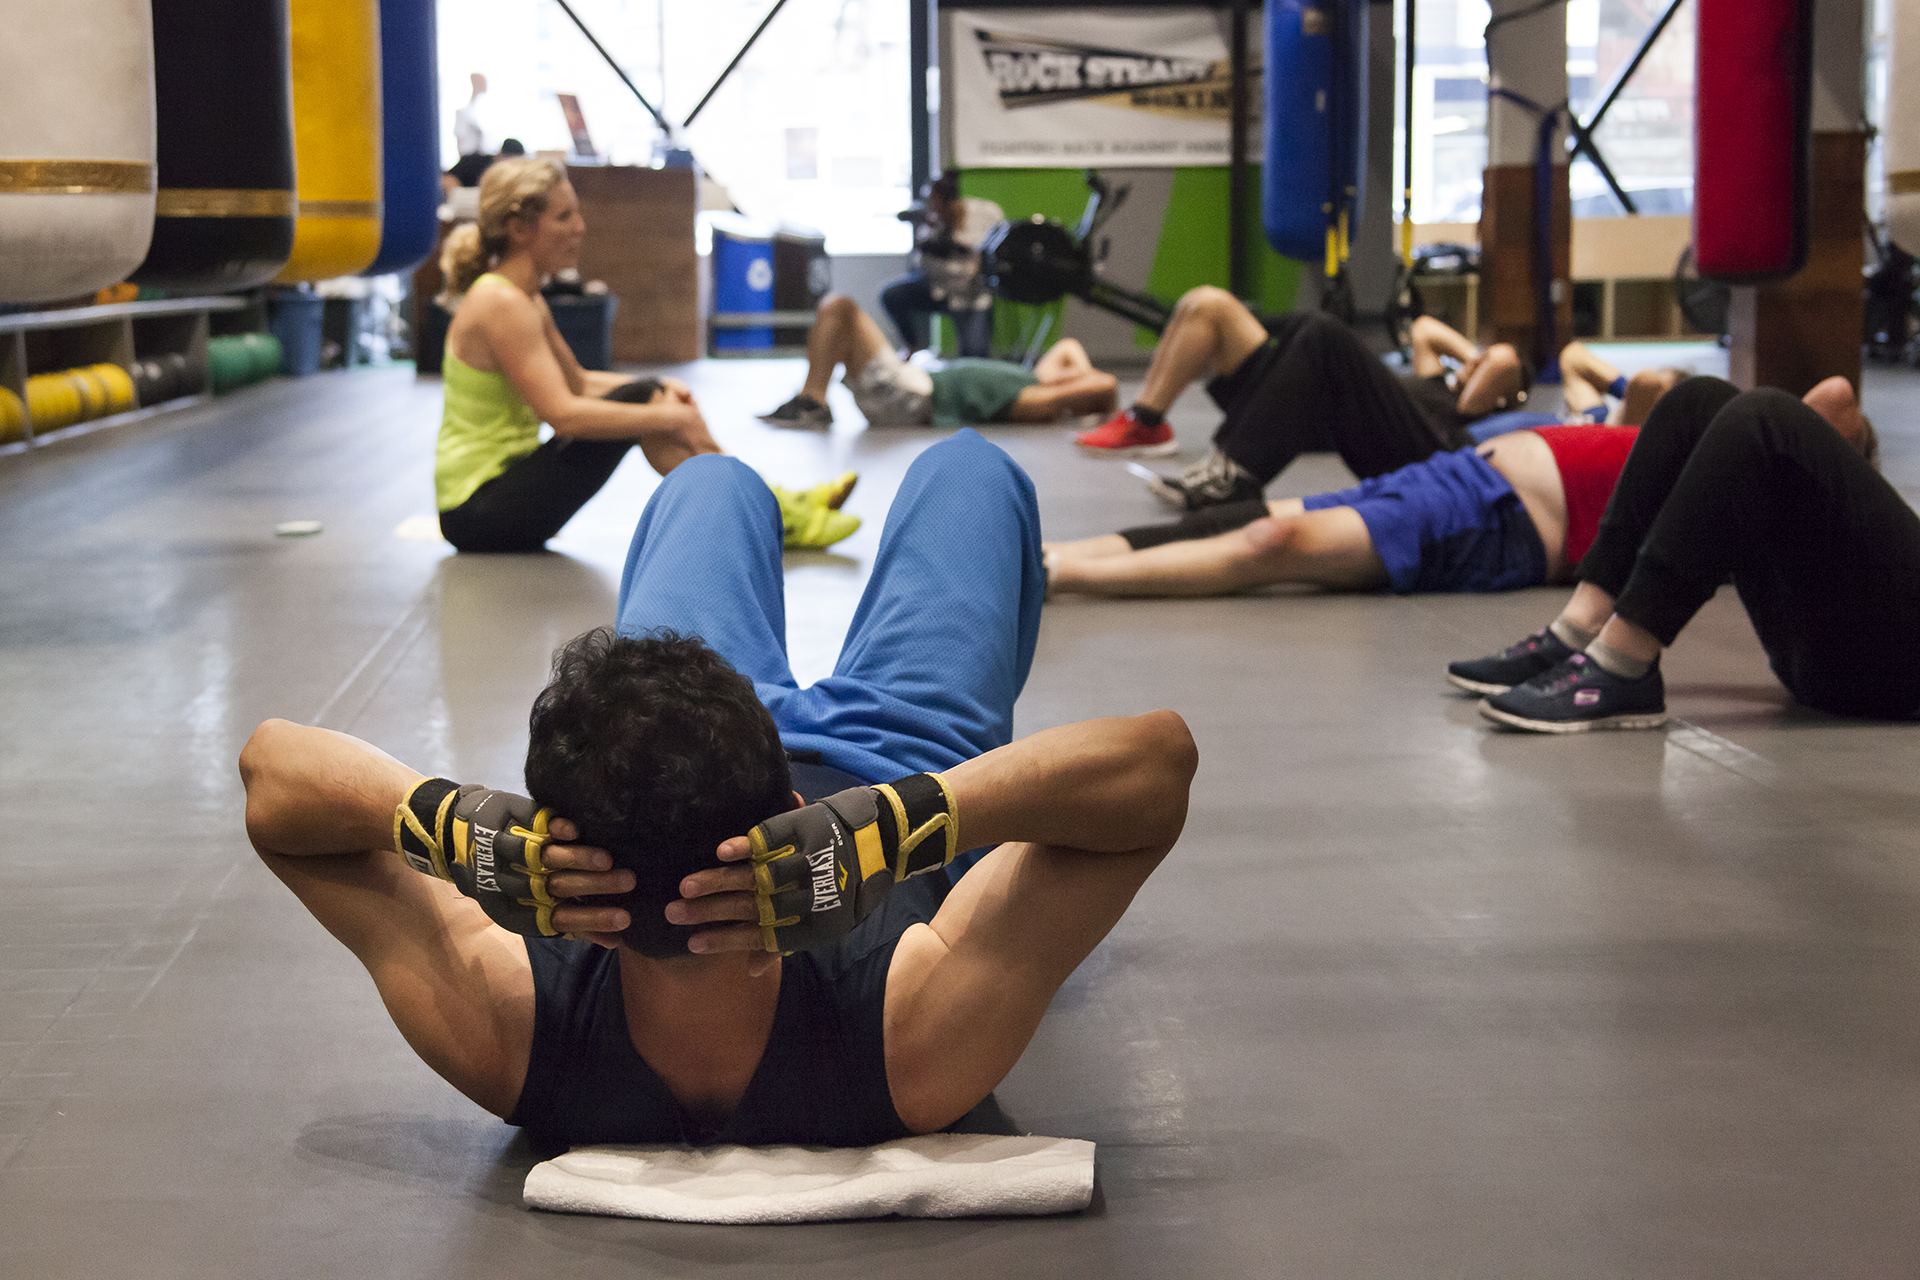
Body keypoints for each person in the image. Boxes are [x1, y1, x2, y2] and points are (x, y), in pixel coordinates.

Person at [240, 430, 1198, 1148]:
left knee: (709, 480)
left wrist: (452, 831)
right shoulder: (906, 1037)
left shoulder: (514, 1027)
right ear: (790, 818)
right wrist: (902, 827)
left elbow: (272, 774)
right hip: (901, 755)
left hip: (674, 737)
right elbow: (1156, 767)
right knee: (970, 470)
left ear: (552, 838)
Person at [435, 158, 857, 553]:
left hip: (498, 498)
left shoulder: (525, 298)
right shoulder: (501, 304)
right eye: (564, 217)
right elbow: (562, 413)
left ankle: (772, 507)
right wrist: (669, 414)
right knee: (651, 409)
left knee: (652, 398)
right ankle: (771, 514)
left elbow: (578, 381)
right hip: (478, 511)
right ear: (519, 228)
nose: (580, 227)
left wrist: (662, 389)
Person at [1450, 375, 1896, 733]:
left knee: (1767, 416)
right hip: (1832, 656)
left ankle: (1624, 664)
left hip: (1893, 664)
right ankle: (1580, 627)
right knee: (1696, 401)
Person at [1044, 419, 1640, 600]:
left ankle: (1054, 575)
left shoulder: (1721, 481)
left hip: (1503, 518)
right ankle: (1053, 553)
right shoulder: (1702, 422)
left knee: (1272, 543)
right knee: (1233, 516)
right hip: (1459, 470)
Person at [1072, 287, 1532, 508]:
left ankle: (1234, 476)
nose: (1481, 360)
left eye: (1489, 363)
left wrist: (1486, 362)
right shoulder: (1436, 378)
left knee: (1323, 331)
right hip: (1308, 412)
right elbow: (1427, 330)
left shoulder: (1467, 408)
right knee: (1207, 304)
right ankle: (1146, 419)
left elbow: (1504, 364)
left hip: (1416, 453)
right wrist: (1472, 355)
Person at [757, 294, 1118, 430]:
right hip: (909, 381)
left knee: (840, 308)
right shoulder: (1032, 376)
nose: (1066, 373)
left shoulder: (1031, 399)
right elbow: (1068, 347)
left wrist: (1080, 393)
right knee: (835, 312)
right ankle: (812, 399)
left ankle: (813, 401)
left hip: (911, 397)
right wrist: (1078, 376)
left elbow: (1107, 386)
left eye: (1071, 380)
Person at [881, 172, 1004, 358]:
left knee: (974, 355)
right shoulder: (932, 225)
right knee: (892, 295)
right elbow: (921, 267)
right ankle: (914, 346)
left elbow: (989, 251)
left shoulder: (982, 215)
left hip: (973, 296)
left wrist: (959, 246)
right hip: (941, 291)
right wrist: (928, 245)